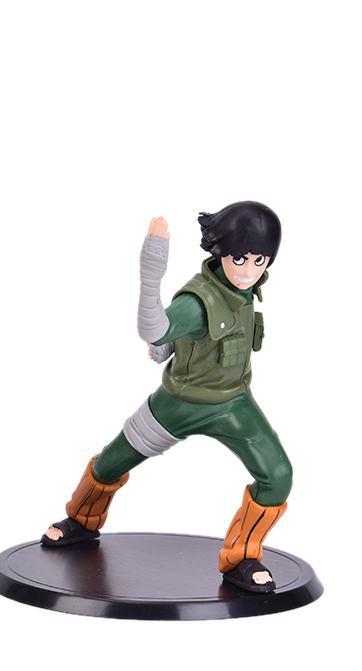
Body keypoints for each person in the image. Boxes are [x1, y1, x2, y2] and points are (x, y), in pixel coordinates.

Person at [42, 202, 290, 593]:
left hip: (234, 404)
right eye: (239, 258)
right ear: (221, 252)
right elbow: (154, 330)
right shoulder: (197, 301)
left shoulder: (246, 290)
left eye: (259, 260)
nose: (248, 271)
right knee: (112, 461)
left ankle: (242, 556)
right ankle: (82, 519)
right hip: (179, 403)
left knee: (278, 476)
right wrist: (151, 270)